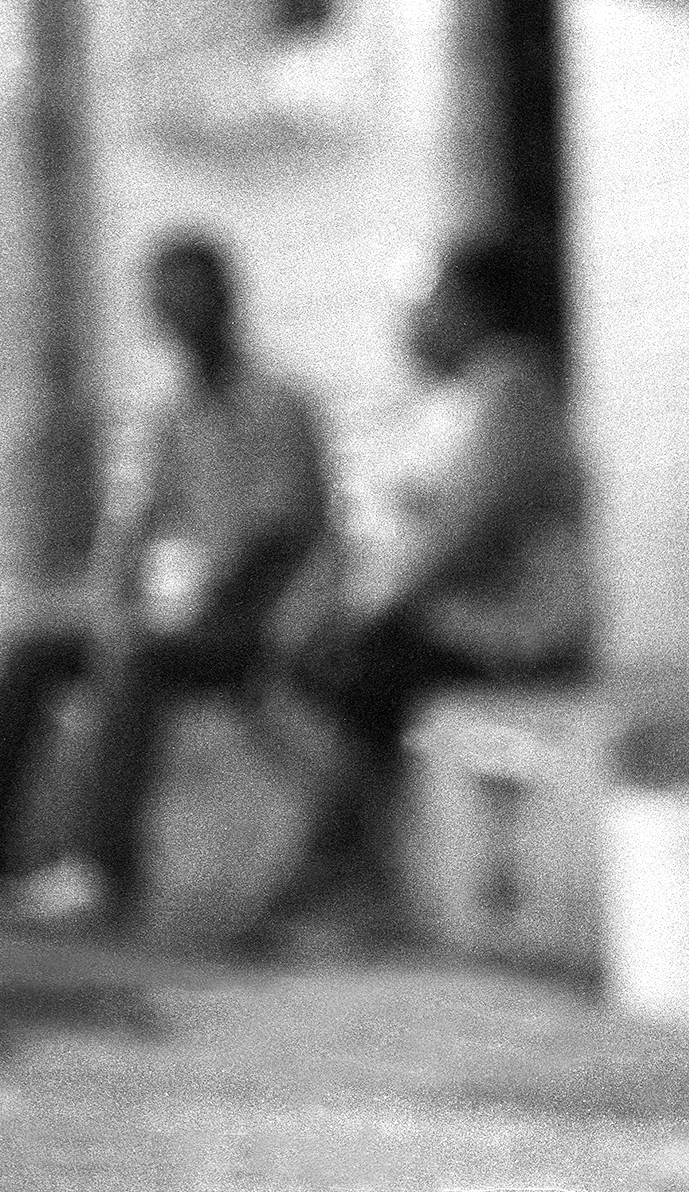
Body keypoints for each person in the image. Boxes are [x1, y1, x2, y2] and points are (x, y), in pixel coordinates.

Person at [0, 233, 338, 927]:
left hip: (262, 627)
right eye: (165, 303)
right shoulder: (174, 417)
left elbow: (277, 540)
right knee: (34, 650)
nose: (177, 317)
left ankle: (100, 871)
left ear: (224, 302)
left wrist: (175, 612)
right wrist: (111, 604)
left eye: (188, 299)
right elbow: (131, 530)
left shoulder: (277, 404)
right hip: (189, 619)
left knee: (138, 658)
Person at [244, 236, 590, 951]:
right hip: (450, 622)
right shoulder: (453, 398)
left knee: (347, 668)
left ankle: (341, 875)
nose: (415, 319)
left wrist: (371, 609)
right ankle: (352, 868)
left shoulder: (512, 385)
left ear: (474, 308)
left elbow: (467, 531)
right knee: (312, 669)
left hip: (511, 633)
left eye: (433, 302)